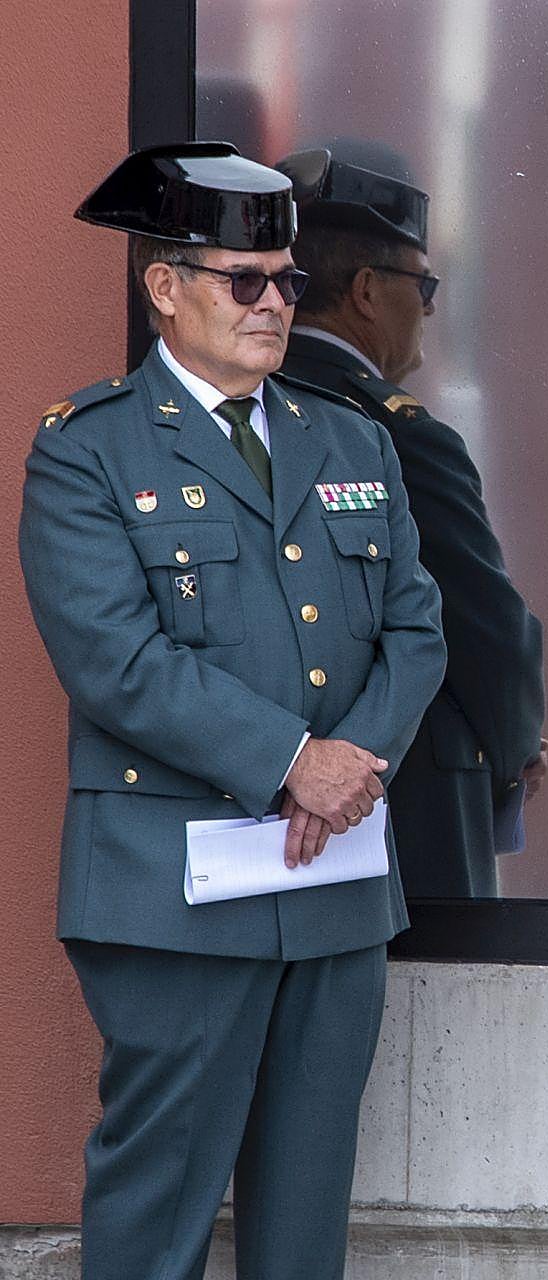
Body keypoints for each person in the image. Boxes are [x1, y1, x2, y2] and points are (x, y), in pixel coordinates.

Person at [18, 142, 446, 1279]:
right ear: (165, 287)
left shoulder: (349, 434)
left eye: (289, 282)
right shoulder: (90, 452)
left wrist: (355, 759)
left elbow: (416, 625)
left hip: (332, 886)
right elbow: (117, 660)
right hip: (176, 892)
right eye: (242, 280)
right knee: (159, 1208)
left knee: (305, 1219)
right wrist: (294, 759)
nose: (273, 305)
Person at [277, 147, 548, 898]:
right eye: (421, 284)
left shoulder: (251, 403)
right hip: (404, 805)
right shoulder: (397, 432)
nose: (430, 307)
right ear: (367, 290)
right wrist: (519, 741)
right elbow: (482, 621)